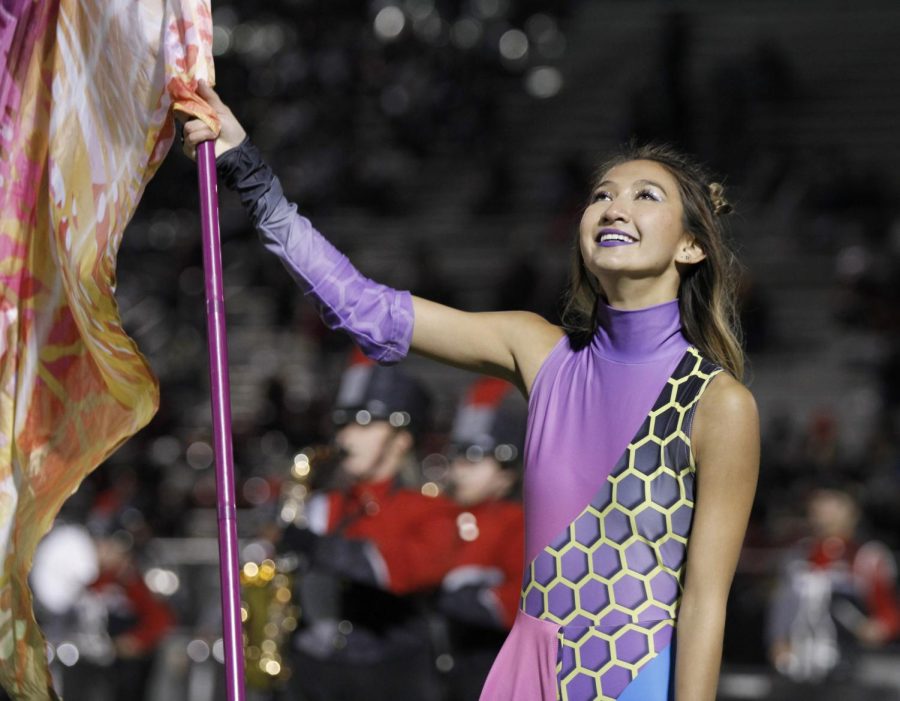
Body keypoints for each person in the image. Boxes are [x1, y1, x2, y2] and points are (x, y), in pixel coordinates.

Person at [183, 80, 760, 701]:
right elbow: (362, 308)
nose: (614, 208)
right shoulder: (539, 351)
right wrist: (246, 166)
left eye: (646, 196)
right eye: (601, 196)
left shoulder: (719, 404)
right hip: (527, 675)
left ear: (692, 245)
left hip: (635, 680)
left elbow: (704, 600)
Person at [277, 350, 461, 701]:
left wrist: (320, 548)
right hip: (316, 672)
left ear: (401, 438)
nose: (345, 438)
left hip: (393, 676)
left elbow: (411, 569)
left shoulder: (431, 510)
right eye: (343, 423)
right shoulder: (323, 505)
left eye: (363, 422)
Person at [439, 376, 527, 700]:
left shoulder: (516, 522)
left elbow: (520, 598)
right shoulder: (445, 513)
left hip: (490, 666)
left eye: (473, 459)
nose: (459, 471)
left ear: (507, 471)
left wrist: (474, 601)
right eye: (457, 457)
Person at [767, 487, 900, 685]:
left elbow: (888, 611)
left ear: (852, 511)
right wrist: (777, 640)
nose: (823, 513)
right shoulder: (796, 556)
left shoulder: (868, 556)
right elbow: (781, 605)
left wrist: (878, 628)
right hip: (799, 667)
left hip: (847, 666)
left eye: (832, 506)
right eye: (818, 506)